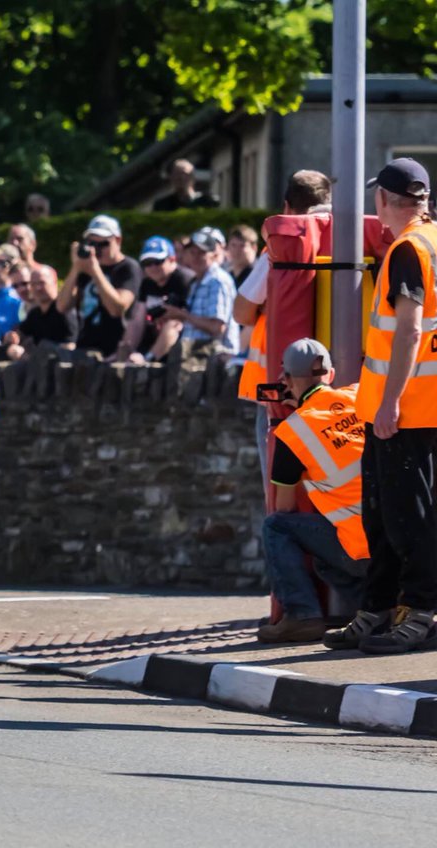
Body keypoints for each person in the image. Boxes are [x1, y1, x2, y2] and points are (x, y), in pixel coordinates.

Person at [326, 158, 437, 654]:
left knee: (406, 520)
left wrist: (390, 402)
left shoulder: (408, 250)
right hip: (404, 408)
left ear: (383, 201)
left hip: (406, 410)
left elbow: (410, 330)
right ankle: (377, 608)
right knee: (383, 516)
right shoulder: (431, 241)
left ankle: (422, 612)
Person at [257, 340, 370, 643]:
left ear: (286, 381)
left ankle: (301, 615)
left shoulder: (292, 431)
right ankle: (386, 606)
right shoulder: (361, 394)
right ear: (331, 375)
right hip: (404, 545)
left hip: (361, 552)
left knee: (276, 526)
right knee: (323, 560)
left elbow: (284, 508)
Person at [235, 170, 333, 496]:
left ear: (287, 206)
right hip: (343, 384)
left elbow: (241, 310)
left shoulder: (285, 243)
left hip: (284, 388)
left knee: (281, 494)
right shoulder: (357, 236)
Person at [58, 214, 141, 357]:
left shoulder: (128, 267)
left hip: (115, 352)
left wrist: (95, 271)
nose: (97, 250)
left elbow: (117, 309)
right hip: (84, 349)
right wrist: (76, 268)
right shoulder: (85, 268)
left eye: (103, 244)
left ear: (118, 240)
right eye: (92, 244)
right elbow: (62, 306)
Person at [115, 236, 193, 363]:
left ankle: (148, 360)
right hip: (152, 337)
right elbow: (138, 320)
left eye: (157, 262)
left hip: (181, 344)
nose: (152, 267)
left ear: (172, 259)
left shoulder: (184, 280)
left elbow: (180, 320)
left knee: (172, 324)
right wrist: (126, 347)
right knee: (132, 326)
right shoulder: (147, 283)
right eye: (147, 263)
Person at [163, 227, 239, 356]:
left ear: (214, 255)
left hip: (216, 360)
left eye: (201, 253)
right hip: (197, 357)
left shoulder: (217, 280)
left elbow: (217, 328)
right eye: (192, 252)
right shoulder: (197, 281)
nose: (196, 257)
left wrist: (183, 315)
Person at [2, 263, 75, 358]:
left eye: (42, 283)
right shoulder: (35, 314)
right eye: (33, 284)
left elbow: (70, 346)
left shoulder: (65, 311)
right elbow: (20, 333)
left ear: (54, 282)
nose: (37, 288)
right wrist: (12, 337)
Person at [152, 159, 219, 212]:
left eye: (184, 174)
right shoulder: (162, 206)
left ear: (192, 177)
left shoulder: (206, 202)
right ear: (171, 178)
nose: (181, 178)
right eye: (176, 174)